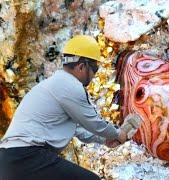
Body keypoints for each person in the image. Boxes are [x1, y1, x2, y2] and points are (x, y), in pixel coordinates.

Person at [0, 35, 141, 180]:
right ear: (82, 66)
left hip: (8, 161)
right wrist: (118, 133)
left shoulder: (56, 85)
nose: (93, 76)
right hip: (26, 157)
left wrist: (104, 140)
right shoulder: (69, 86)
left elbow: (78, 129)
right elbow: (94, 123)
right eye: (95, 69)